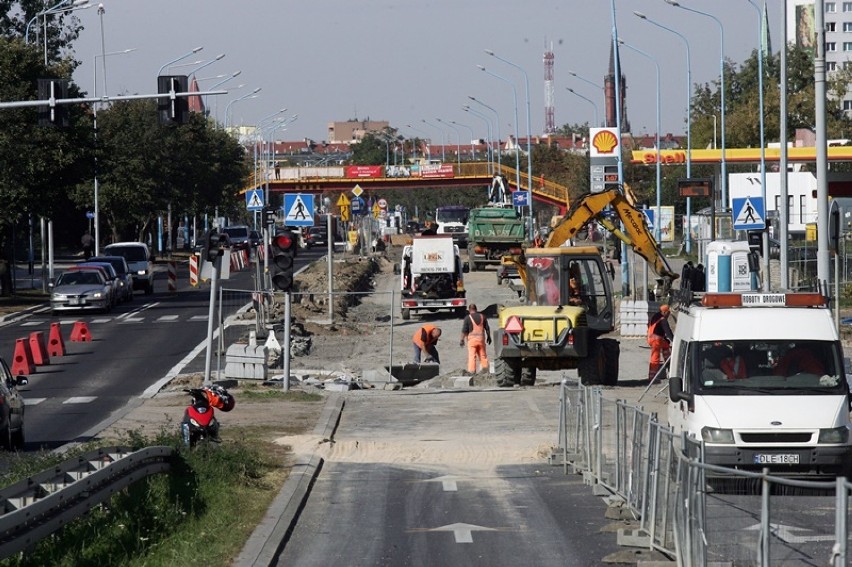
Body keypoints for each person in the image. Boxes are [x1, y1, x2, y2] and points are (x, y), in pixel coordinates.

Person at [460, 304, 491, 374]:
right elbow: (487, 328)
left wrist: (462, 340)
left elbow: (464, 330)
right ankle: (485, 370)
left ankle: (472, 371)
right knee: (483, 355)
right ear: (476, 309)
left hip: (472, 341)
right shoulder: (483, 316)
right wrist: (489, 337)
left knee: (472, 356)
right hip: (481, 340)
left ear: (469, 310)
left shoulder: (468, 318)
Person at [647, 304, 674, 381]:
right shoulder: (663, 320)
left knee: (666, 345)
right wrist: (674, 341)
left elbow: (657, 329)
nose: (668, 315)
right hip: (656, 340)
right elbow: (668, 332)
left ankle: (668, 360)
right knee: (655, 358)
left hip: (651, 338)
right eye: (668, 313)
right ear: (665, 312)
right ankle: (652, 377)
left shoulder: (655, 316)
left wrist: (666, 340)